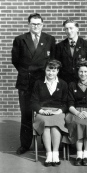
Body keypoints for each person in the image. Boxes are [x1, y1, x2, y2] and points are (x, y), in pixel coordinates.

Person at [11, 13, 56, 155]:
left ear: (42, 24)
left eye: (38, 23)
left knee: (44, 112)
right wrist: (27, 73)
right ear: (28, 24)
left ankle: (45, 142)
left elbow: (52, 61)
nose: (36, 26)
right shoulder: (20, 40)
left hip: (43, 82)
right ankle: (25, 144)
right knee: (26, 114)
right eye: (33, 23)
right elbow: (16, 61)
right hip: (25, 82)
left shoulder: (50, 39)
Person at [31, 60, 68, 167]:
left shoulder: (63, 84)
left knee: (55, 125)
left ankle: (55, 154)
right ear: (45, 71)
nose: (50, 73)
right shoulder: (38, 83)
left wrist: (59, 111)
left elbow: (66, 102)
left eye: (53, 70)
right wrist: (41, 110)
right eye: (48, 70)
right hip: (43, 111)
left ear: (57, 71)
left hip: (58, 111)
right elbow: (34, 101)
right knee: (45, 125)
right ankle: (48, 154)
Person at [65, 60, 87, 166]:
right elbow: (70, 103)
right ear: (77, 73)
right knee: (77, 123)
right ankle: (79, 154)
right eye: (81, 71)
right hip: (75, 112)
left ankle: (86, 154)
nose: (83, 74)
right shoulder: (72, 85)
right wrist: (76, 112)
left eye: (85, 71)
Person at [56, 19, 87, 84]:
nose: (69, 31)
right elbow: (57, 66)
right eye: (66, 29)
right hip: (65, 82)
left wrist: (86, 82)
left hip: (81, 82)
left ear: (77, 29)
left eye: (71, 28)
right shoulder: (59, 46)